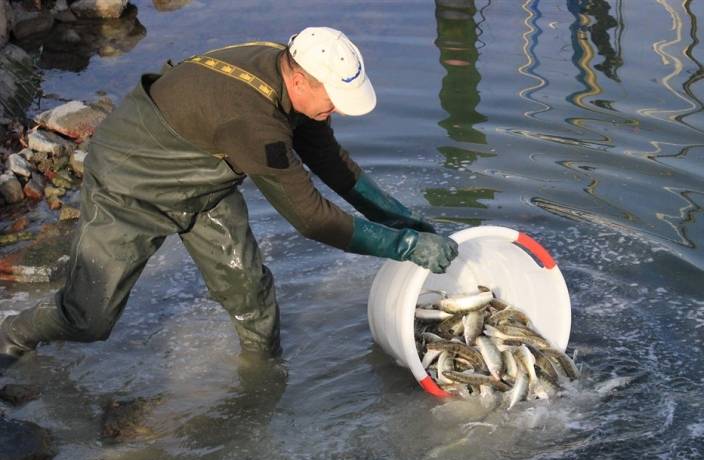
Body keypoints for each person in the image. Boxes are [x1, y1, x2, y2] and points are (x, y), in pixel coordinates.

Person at [0, 27, 458, 370]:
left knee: (251, 295)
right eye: (334, 99)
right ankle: (13, 334)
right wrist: (403, 248)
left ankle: (262, 383)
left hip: (203, 178)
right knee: (88, 320)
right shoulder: (253, 122)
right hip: (130, 185)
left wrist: (403, 220)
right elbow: (312, 219)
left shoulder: (287, 73)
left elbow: (331, 162)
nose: (336, 109)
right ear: (299, 80)